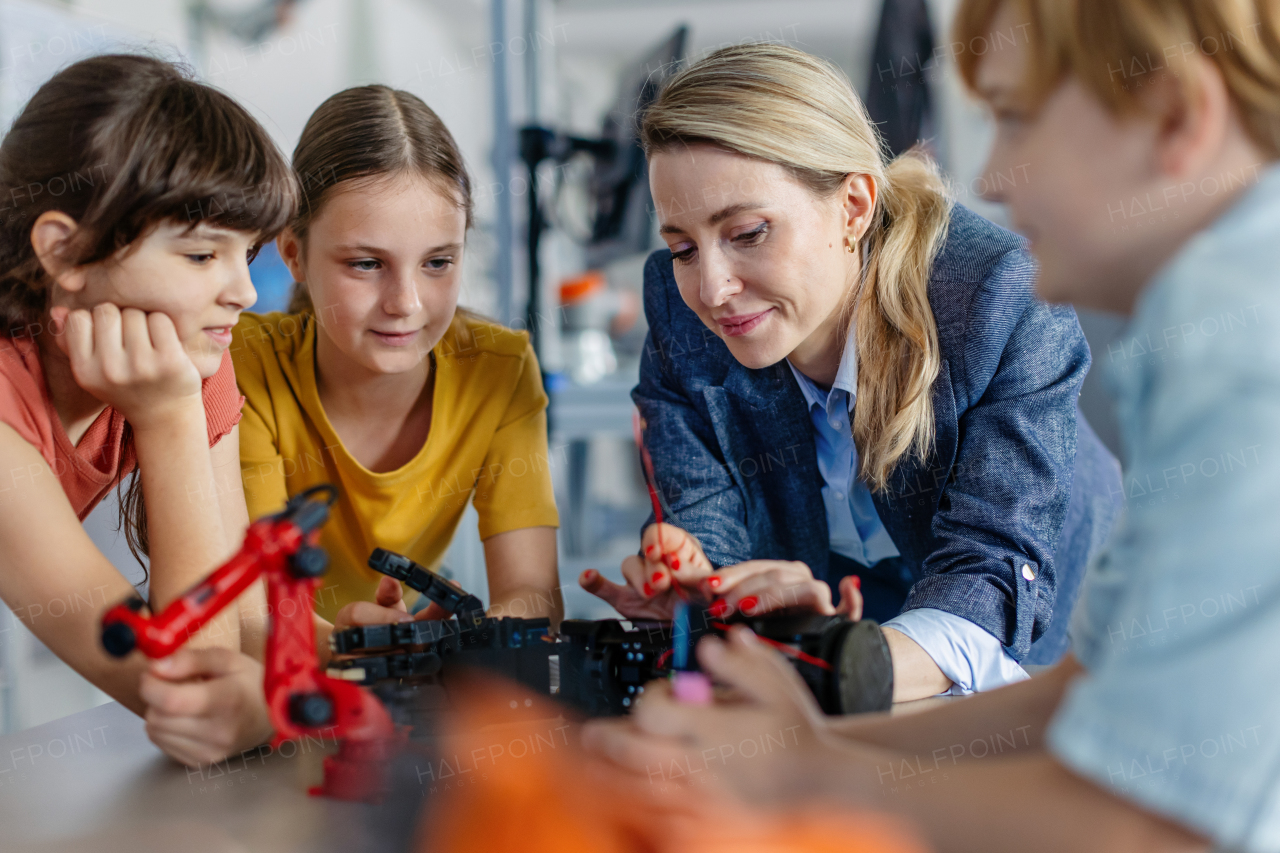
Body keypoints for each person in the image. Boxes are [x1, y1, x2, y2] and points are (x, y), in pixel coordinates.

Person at [584, 0, 1280, 849]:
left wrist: (813, 764)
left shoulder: (1228, 351)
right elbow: (1081, 699)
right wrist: (805, 731)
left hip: (1002, 636)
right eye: (685, 246)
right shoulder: (1212, 325)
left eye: (1017, 121)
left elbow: (1150, 819)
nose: (992, 177)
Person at [580, 42, 1120, 701]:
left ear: (854, 207)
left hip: (1039, 619)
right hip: (850, 606)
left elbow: (991, 573)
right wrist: (705, 582)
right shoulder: (675, 299)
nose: (712, 287)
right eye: (683, 246)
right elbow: (705, 517)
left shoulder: (999, 296)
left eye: (748, 232)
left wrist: (825, 664)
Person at [0, 55, 296, 765]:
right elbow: (190, 681)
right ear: (64, 251)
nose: (245, 292)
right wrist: (168, 421)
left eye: (246, 254)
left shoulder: (190, 354)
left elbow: (248, 623)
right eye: (200, 256)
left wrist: (369, 651)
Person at [230, 86, 562, 633]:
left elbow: (533, 595)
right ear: (293, 254)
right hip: (268, 687)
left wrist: (463, 639)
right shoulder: (244, 363)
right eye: (365, 264)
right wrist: (354, 651)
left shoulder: (499, 369)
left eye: (437, 262)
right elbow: (256, 614)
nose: (405, 303)